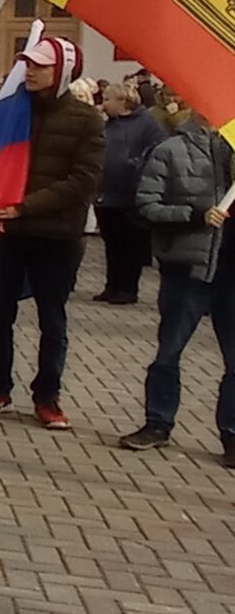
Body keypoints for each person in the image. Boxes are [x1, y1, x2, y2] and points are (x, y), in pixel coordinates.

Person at [0, 36, 103, 429]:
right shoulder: (13, 111)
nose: (31, 71)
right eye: (29, 64)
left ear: (62, 71)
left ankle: (47, 397)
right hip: (9, 232)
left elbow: (83, 180)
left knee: (52, 321)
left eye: (41, 65)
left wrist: (26, 205)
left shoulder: (86, 118)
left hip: (56, 237)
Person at [119, 105, 234, 464]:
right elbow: (146, 207)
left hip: (231, 272)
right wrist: (194, 216)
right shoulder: (171, 149)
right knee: (169, 352)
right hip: (188, 269)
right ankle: (157, 422)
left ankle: (232, 434)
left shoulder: (231, 150)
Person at [93, 80, 166, 304]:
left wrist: (136, 164)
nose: (103, 104)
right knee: (111, 242)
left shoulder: (147, 123)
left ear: (123, 101)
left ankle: (128, 287)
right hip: (106, 192)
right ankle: (112, 285)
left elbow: (158, 149)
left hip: (130, 194)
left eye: (107, 100)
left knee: (130, 245)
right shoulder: (108, 123)